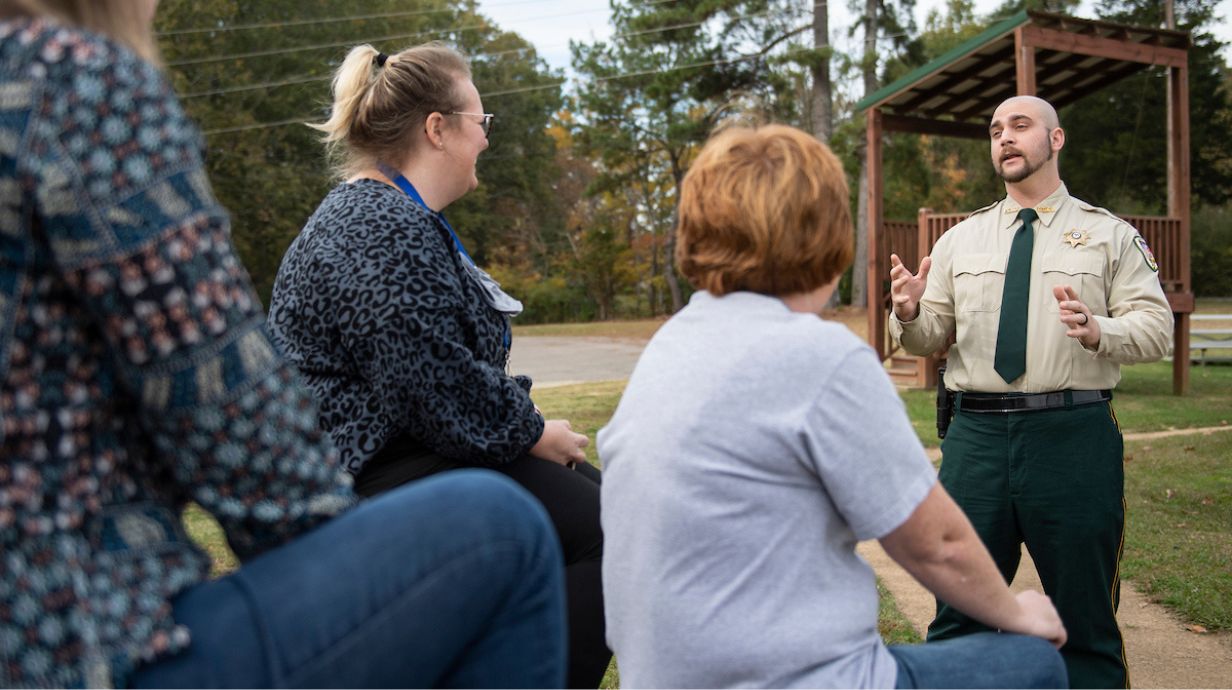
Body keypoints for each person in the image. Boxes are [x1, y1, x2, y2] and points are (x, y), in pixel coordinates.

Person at [0, 1, 567, 687]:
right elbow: (226, 407)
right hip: (77, 639)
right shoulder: (72, 85)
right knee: (502, 526)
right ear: (436, 128)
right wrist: (351, 582)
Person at [598, 124, 1068, 689]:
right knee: (1035, 663)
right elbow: (935, 544)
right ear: (827, 235)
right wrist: (1020, 616)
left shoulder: (672, 344)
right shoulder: (816, 353)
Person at [266, 42, 610, 687]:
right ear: (437, 129)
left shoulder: (392, 217)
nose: (485, 139)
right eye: (481, 123)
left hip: (412, 455)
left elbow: (440, 369)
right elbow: (425, 382)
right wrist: (535, 433)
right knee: (606, 534)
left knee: (605, 506)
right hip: (369, 477)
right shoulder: (374, 225)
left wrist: (530, 428)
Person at [888, 95, 1173, 688]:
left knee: (1084, 620)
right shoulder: (959, 241)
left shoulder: (1109, 235)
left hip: (1072, 437)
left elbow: (1156, 328)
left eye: (1019, 126)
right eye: (995, 131)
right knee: (958, 615)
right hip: (976, 440)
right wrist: (911, 311)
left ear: (1056, 139)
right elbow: (929, 336)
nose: (1005, 139)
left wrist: (1100, 330)